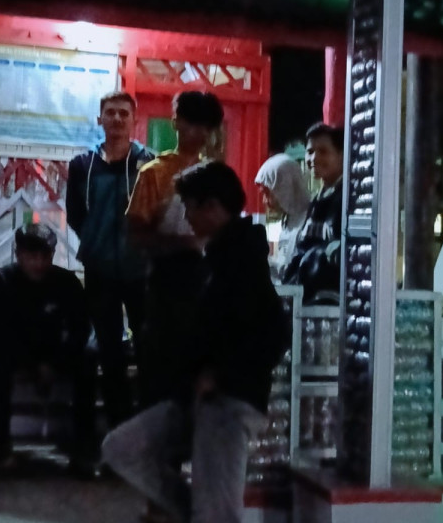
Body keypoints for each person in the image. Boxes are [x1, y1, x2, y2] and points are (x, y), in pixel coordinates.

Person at [103, 161, 290, 523]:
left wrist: (219, 376)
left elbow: (273, 334)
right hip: (199, 398)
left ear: (213, 207)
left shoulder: (241, 262)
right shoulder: (218, 258)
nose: (185, 217)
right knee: (122, 448)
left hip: (228, 403)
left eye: (189, 207)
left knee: (217, 512)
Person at [126, 90, 224, 406]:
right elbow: (136, 236)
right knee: (161, 369)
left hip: (207, 283)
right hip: (165, 285)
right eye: (192, 124)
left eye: (206, 127)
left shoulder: (216, 176)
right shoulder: (153, 173)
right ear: (176, 123)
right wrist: (183, 243)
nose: (199, 133)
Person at [66, 91, 154, 427]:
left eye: (123, 114)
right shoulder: (82, 166)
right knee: (109, 351)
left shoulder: (149, 164)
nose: (117, 119)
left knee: (147, 348)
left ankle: (148, 426)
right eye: (111, 113)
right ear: (99, 119)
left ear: (134, 120)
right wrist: (96, 240)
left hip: (141, 270)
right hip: (100, 270)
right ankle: (118, 427)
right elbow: (76, 214)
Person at [0, 223, 98, 476]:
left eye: (45, 256)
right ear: (18, 254)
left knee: (88, 360)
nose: (39, 263)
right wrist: (35, 365)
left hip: (56, 352)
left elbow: (81, 330)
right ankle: (0, 446)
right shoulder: (2, 282)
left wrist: (54, 363)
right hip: (16, 352)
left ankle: (83, 448)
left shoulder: (66, 282)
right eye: (31, 256)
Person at [283, 123, 344, 302]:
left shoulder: (347, 200)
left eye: (323, 151)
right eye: (310, 152)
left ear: (341, 155)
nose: (314, 158)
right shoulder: (317, 200)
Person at [255, 153, 310, 283]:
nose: (264, 201)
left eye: (267, 193)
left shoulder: (310, 220)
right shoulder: (289, 220)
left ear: (284, 188)